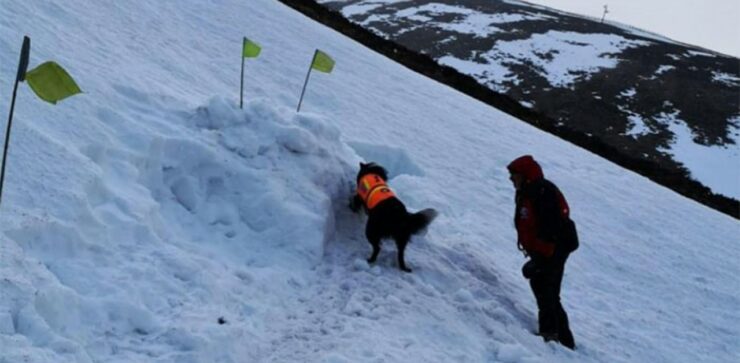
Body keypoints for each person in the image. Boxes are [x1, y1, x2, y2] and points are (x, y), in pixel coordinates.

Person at [507, 155, 578, 350]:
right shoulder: (529, 191)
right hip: (549, 248)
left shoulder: (541, 192)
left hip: (554, 248)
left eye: (514, 176)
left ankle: (552, 334)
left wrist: (539, 257)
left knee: (545, 288)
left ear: (525, 175)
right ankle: (563, 337)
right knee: (546, 288)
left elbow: (550, 227)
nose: (511, 179)